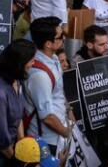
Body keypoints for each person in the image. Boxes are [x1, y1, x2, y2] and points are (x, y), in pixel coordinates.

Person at [26, 17, 72, 154]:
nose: (63, 38)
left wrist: (68, 110)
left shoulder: (54, 58)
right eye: (60, 36)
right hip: (49, 141)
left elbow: (58, 91)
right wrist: (68, 133)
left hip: (60, 132)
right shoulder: (39, 76)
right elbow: (47, 117)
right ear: (48, 44)